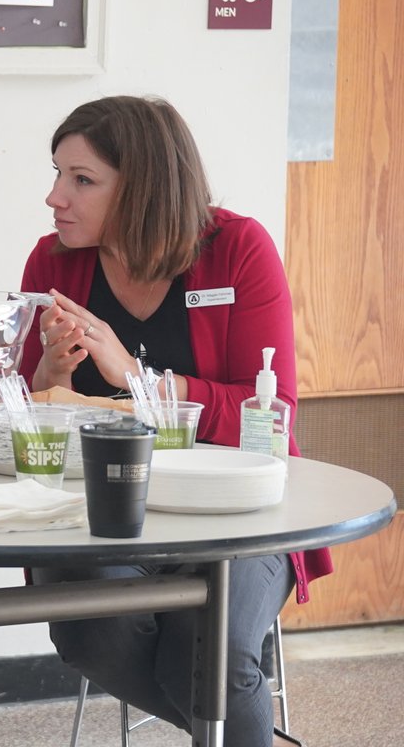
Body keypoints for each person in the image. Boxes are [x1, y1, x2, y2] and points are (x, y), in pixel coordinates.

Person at [18, 95, 329, 747]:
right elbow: (22, 415)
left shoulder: (238, 250)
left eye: (81, 180)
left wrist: (139, 378)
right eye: (57, 173)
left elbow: (269, 413)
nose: (55, 197)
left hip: (238, 511)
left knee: (208, 646)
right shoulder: (53, 263)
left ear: (144, 188)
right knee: (93, 630)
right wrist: (49, 376)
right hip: (100, 514)